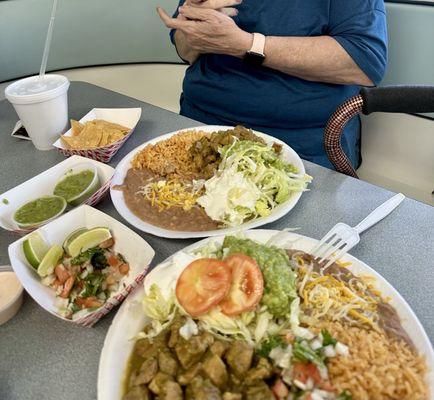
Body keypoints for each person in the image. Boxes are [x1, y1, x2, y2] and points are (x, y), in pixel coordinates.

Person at [157, 0, 387, 169]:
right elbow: (185, 51)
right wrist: (195, 24)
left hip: (299, 143)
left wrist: (247, 45)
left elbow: (364, 61)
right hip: (197, 124)